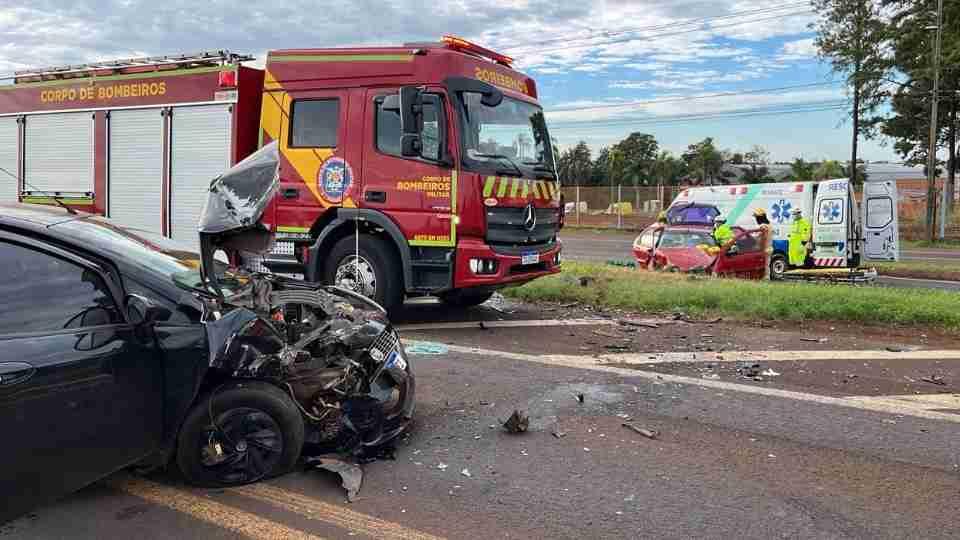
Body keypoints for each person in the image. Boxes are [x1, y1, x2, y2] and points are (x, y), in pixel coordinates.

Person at [753, 208, 773, 279]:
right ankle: (766, 278)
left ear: (760, 217)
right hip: (768, 248)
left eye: (756, 217)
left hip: (763, 249)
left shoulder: (763, 226)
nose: (756, 219)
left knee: (764, 267)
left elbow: (759, 238)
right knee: (766, 266)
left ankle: (765, 279)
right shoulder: (769, 225)